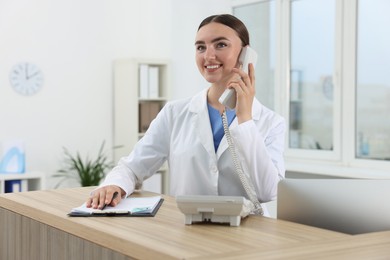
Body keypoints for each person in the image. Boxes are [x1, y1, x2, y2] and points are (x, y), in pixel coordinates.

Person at [86, 14, 285, 217]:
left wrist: (245, 120)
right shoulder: (174, 113)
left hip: (250, 237)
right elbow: (133, 167)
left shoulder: (271, 122)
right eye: (200, 47)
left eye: (221, 45)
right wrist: (113, 185)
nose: (208, 56)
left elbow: (267, 191)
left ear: (246, 54)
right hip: (188, 233)